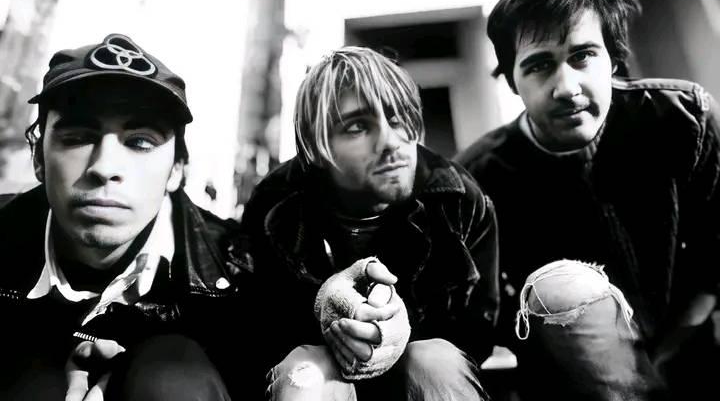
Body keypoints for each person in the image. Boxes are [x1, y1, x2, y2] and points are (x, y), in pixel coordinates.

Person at [456, 0, 720, 400]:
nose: (567, 87)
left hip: (692, 353)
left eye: (582, 56)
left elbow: (715, 255)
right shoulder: (478, 181)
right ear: (513, 82)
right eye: (539, 65)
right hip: (569, 381)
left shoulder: (683, 119)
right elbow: (483, 311)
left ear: (613, 59)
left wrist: (666, 352)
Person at [0, 33, 259, 400]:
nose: (105, 167)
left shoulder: (239, 273)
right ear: (39, 158)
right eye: (77, 137)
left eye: (140, 142)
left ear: (177, 170)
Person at [240, 46, 499, 400]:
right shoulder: (274, 207)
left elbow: (479, 334)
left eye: (397, 118)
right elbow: (254, 340)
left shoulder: (457, 199)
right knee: (307, 371)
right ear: (316, 147)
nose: (391, 143)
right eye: (358, 126)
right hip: (328, 380)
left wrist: (401, 329)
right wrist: (324, 312)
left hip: (420, 376)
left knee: (434, 362)